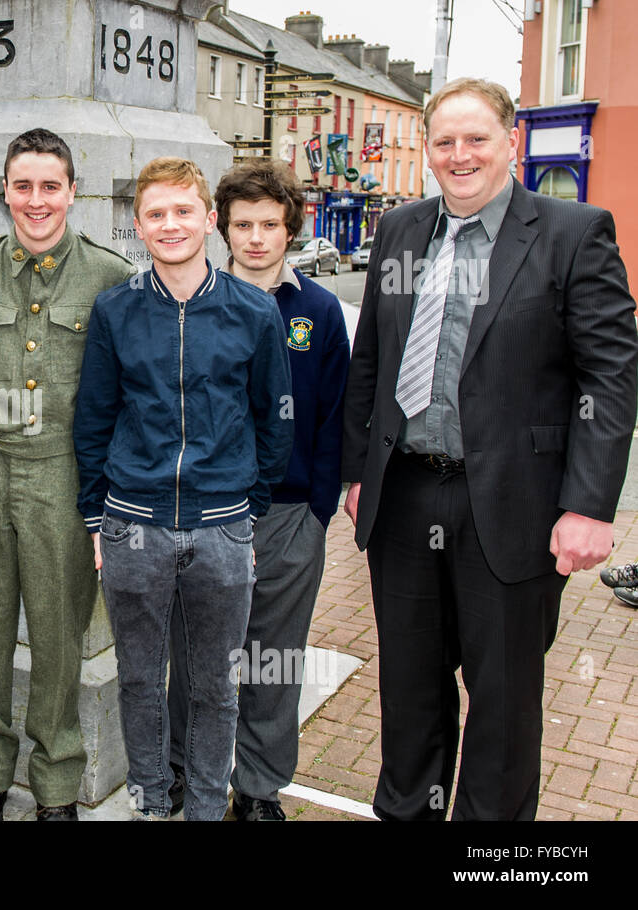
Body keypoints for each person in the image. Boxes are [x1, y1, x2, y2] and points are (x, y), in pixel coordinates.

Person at [342, 77, 637, 820]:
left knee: (503, 702)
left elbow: (611, 374)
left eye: (476, 138)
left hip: (514, 504)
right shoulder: (400, 230)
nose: (459, 154)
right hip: (405, 497)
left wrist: (588, 507)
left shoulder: (573, 232)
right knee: (409, 687)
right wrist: (357, 474)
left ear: (512, 141)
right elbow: (371, 364)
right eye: (444, 141)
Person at [73, 156, 292, 821]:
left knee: (214, 686)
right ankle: (151, 805)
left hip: (222, 525)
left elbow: (272, 419)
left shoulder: (254, 313)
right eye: (156, 214)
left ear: (209, 218)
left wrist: (244, 517)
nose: (171, 225)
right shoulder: (116, 310)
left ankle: (202, 807)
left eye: (183, 211)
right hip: (131, 522)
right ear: (138, 226)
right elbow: (94, 417)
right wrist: (95, 520)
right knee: (140, 680)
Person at [0, 128, 136, 821]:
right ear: (5, 191)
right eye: (22, 186)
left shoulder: (110, 277)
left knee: (59, 635)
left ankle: (57, 786)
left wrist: (111, 502)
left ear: (72, 192)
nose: (36, 200)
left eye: (49, 186)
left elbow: (127, 396)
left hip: (63, 475)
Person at [164, 160, 348, 820]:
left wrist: (321, 506)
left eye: (270, 224)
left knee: (272, 656)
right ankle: (183, 766)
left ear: (291, 228)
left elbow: (334, 416)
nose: (257, 238)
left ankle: (262, 786)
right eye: (243, 224)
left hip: (291, 515)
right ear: (222, 228)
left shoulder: (319, 312)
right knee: (195, 654)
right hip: (204, 513)